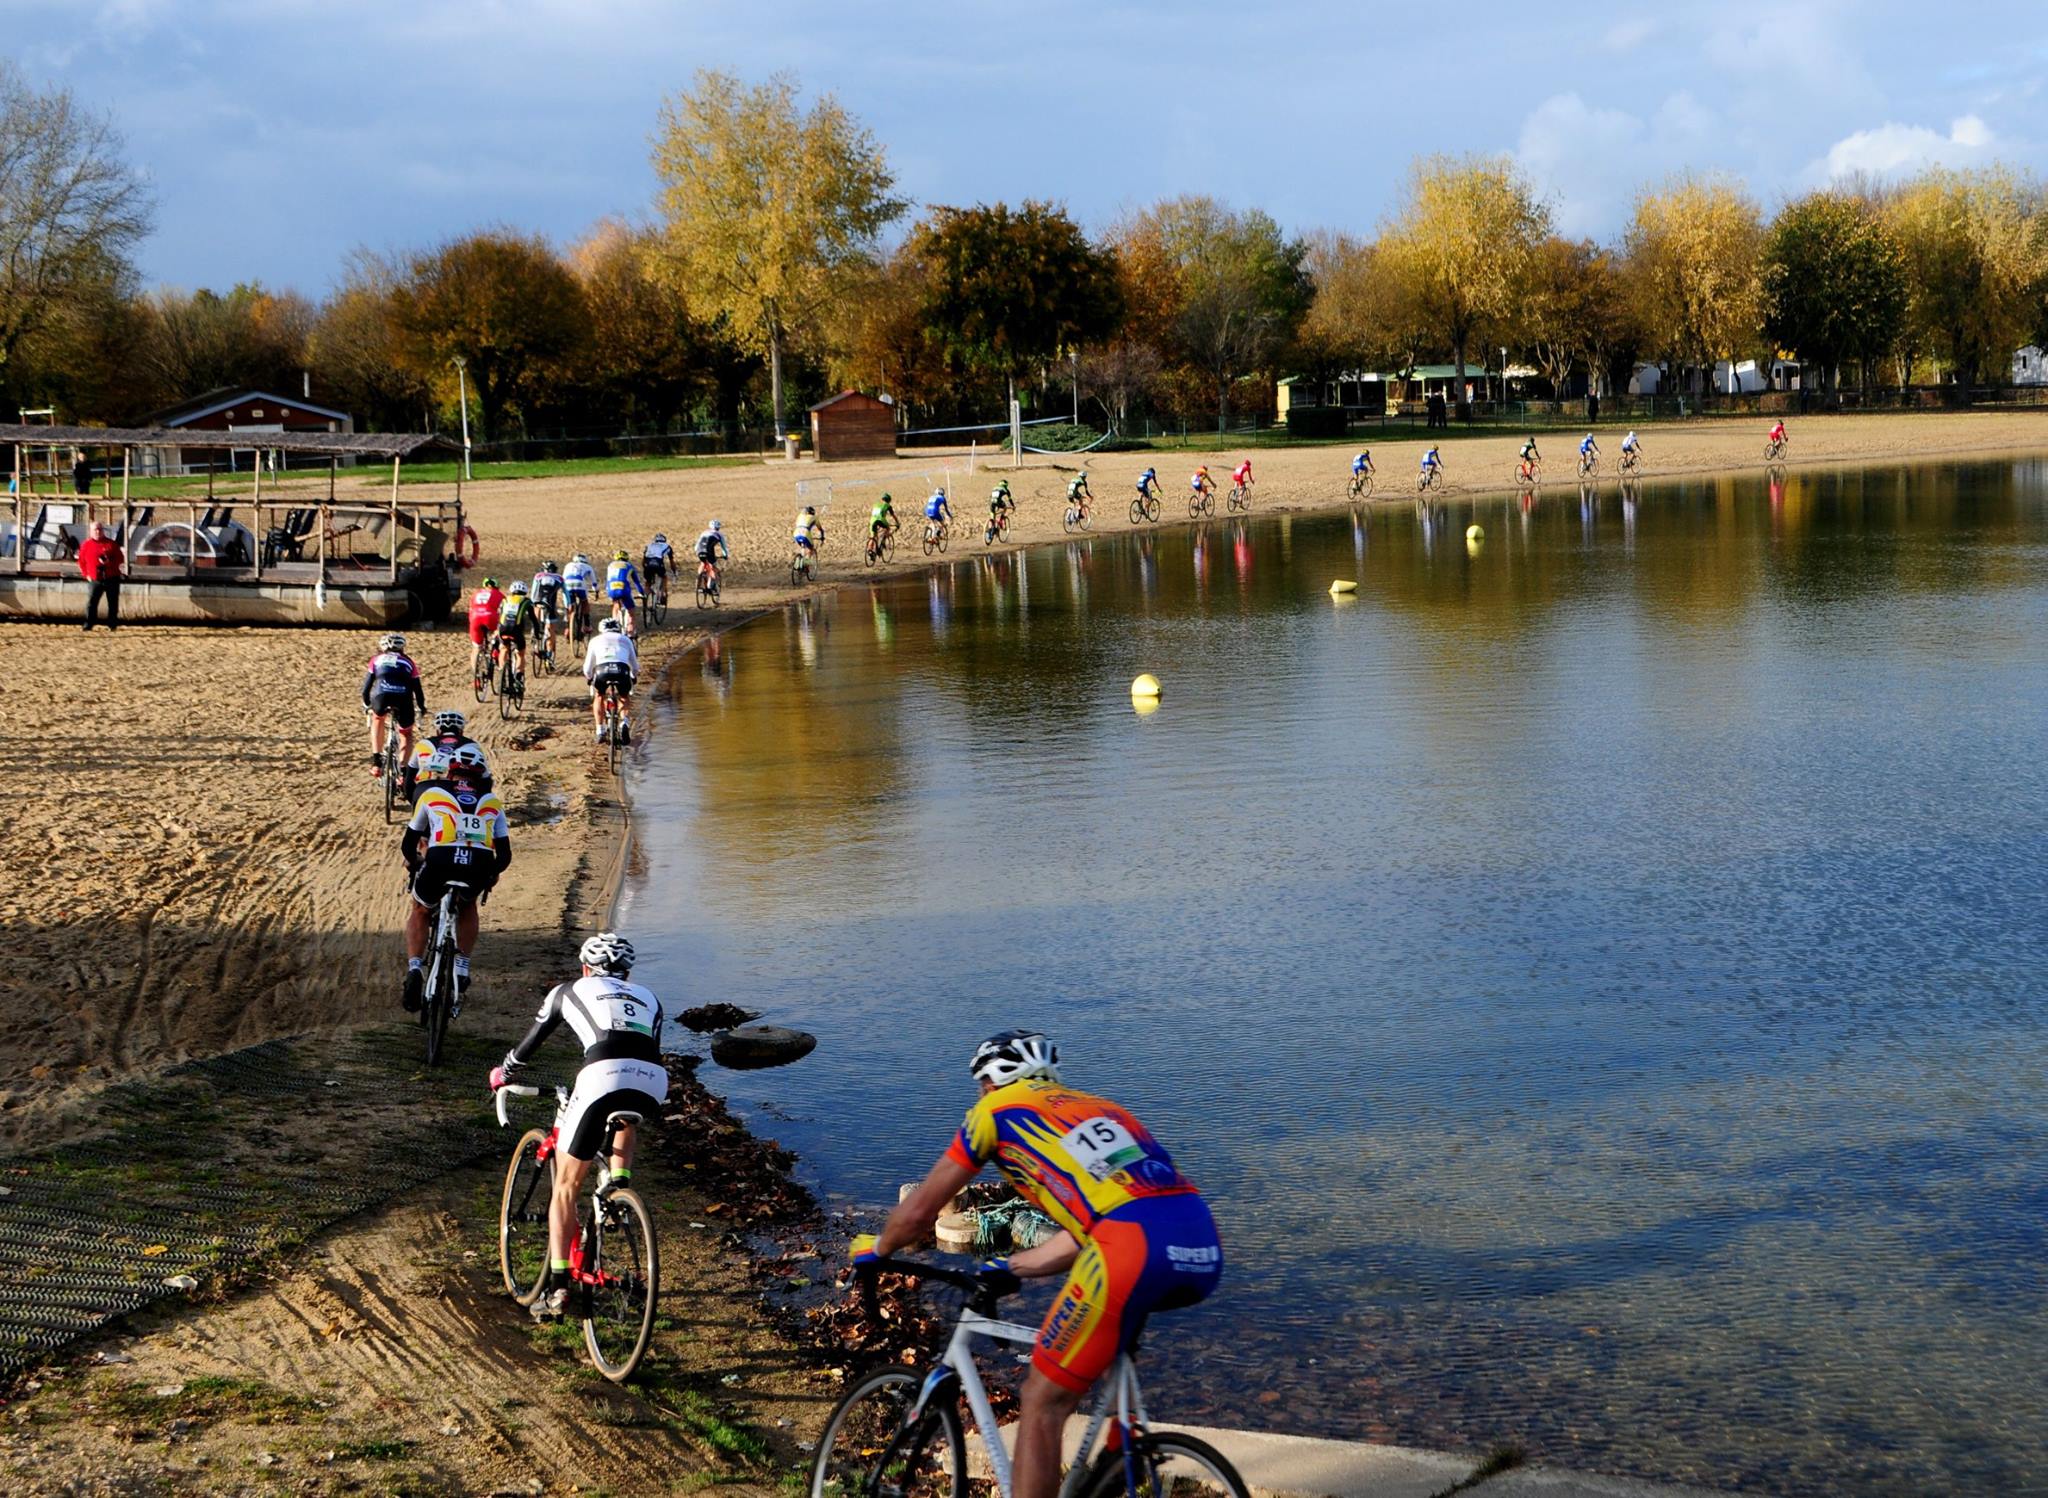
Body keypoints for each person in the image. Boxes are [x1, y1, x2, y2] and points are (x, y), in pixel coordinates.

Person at [854, 1031, 1221, 1498]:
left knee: (1041, 1400)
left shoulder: (993, 1112)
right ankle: (1118, 1459)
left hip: (1128, 1247)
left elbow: (921, 1210)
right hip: (1199, 1238)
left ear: (989, 1082)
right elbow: (1104, 1219)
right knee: (1111, 1346)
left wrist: (878, 1249)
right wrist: (1015, 1265)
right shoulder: (1106, 1111)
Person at [488, 933, 668, 1323]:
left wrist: (503, 1074)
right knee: (624, 1112)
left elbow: (529, 1045)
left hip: (600, 1075)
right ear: (627, 972)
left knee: (566, 1187)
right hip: (654, 1080)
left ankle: (556, 1289)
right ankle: (617, 1186)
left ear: (585, 968)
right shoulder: (650, 997)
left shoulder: (568, 990)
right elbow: (639, 1049)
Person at [400, 744, 509, 1011]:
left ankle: (415, 967)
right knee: (467, 904)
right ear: (481, 775)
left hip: (439, 861)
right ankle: (462, 967)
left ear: (450, 771)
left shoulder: (432, 793)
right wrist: (492, 874)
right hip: (478, 866)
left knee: (421, 909)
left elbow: (409, 843)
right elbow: (504, 856)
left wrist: (415, 862)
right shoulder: (492, 802)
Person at [361, 632, 427, 780]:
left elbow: (366, 688)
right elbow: (418, 690)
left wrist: (366, 704)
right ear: (402, 648)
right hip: (403, 698)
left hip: (381, 696)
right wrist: (422, 707)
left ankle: (376, 762)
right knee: (406, 733)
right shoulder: (409, 662)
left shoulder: (376, 660)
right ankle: (402, 773)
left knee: (377, 718)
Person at [405, 708, 490, 802]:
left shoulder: (422, 744)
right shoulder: (472, 745)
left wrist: (413, 802)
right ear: (461, 731)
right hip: (456, 792)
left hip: (424, 789)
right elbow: (486, 780)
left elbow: (409, 779)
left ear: (438, 731)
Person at [583, 616, 639, 744]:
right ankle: (624, 722)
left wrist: (589, 678)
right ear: (618, 629)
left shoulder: (595, 640)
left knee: (599, 696)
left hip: (602, 670)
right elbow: (635, 666)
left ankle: (600, 730)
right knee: (624, 696)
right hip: (621, 670)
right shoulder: (626, 640)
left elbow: (587, 668)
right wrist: (633, 676)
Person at [77, 520, 125, 632]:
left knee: (112, 603)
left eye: (100, 529)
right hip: (95, 579)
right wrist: (86, 575)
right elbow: (81, 562)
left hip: (111, 577)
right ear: (91, 531)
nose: (98, 531)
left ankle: (112, 625)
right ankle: (88, 624)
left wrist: (109, 561)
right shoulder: (86, 545)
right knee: (91, 603)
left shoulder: (111, 544)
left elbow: (120, 559)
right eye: (95, 529)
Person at [466, 576, 506, 688]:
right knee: (498, 633)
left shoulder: (475, 594)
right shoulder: (500, 595)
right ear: (497, 587)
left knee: (476, 648)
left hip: (475, 619)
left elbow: (470, 611)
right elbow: (505, 614)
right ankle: (495, 650)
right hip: (491, 617)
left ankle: (476, 678)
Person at [495, 580, 535, 687]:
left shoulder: (505, 600)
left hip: (503, 629)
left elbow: (499, 614)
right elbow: (533, 619)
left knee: (503, 649)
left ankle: (501, 676)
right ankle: (518, 679)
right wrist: (537, 631)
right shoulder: (526, 601)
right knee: (520, 654)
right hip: (516, 631)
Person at [605, 549, 645, 638]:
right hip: (623, 589)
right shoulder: (629, 566)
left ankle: (615, 627)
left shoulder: (610, 565)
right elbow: (637, 583)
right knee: (631, 611)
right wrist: (642, 593)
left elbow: (608, 580)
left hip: (611, 589)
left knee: (616, 605)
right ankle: (630, 633)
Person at [531, 559, 565, 658]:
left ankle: (535, 635)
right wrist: (568, 606)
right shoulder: (559, 578)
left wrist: (533, 603)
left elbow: (534, 593)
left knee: (536, 609)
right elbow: (566, 594)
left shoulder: (538, 576)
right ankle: (549, 656)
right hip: (550, 606)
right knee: (551, 630)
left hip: (538, 603)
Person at [562, 553, 598, 637]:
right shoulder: (588, 567)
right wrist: (596, 591)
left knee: (568, 606)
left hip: (567, 585)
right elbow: (594, 582)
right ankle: (587, 625)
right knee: (584, 602)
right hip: (580, 584)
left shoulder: (568, 565)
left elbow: (563, 578)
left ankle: (567, 628)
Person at [694, 520, 729, 591]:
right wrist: (725, 555)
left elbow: (697, 545)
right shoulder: (719, 534)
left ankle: (698, 581)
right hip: (708, 550)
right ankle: (710, 585)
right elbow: (724, 547)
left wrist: (697, 552)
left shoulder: (704, 532)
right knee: (712, 566)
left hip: (699, 550)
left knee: (703, 563)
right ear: (718, 528)